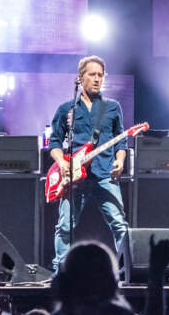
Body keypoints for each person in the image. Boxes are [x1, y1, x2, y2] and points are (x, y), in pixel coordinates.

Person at [50, 55, 130, 275]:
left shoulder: (112, 107)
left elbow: (121, 139)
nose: (97, 79)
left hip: (104, 174)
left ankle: (126, 272)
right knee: (65, 226)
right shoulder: (67, 109)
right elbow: (55, 143)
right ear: (80, 77)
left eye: (100, 75)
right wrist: (62, 163)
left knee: (120, 225)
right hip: (74, 177)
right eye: (92, 74)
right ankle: (61, 274)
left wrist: (120, 159)